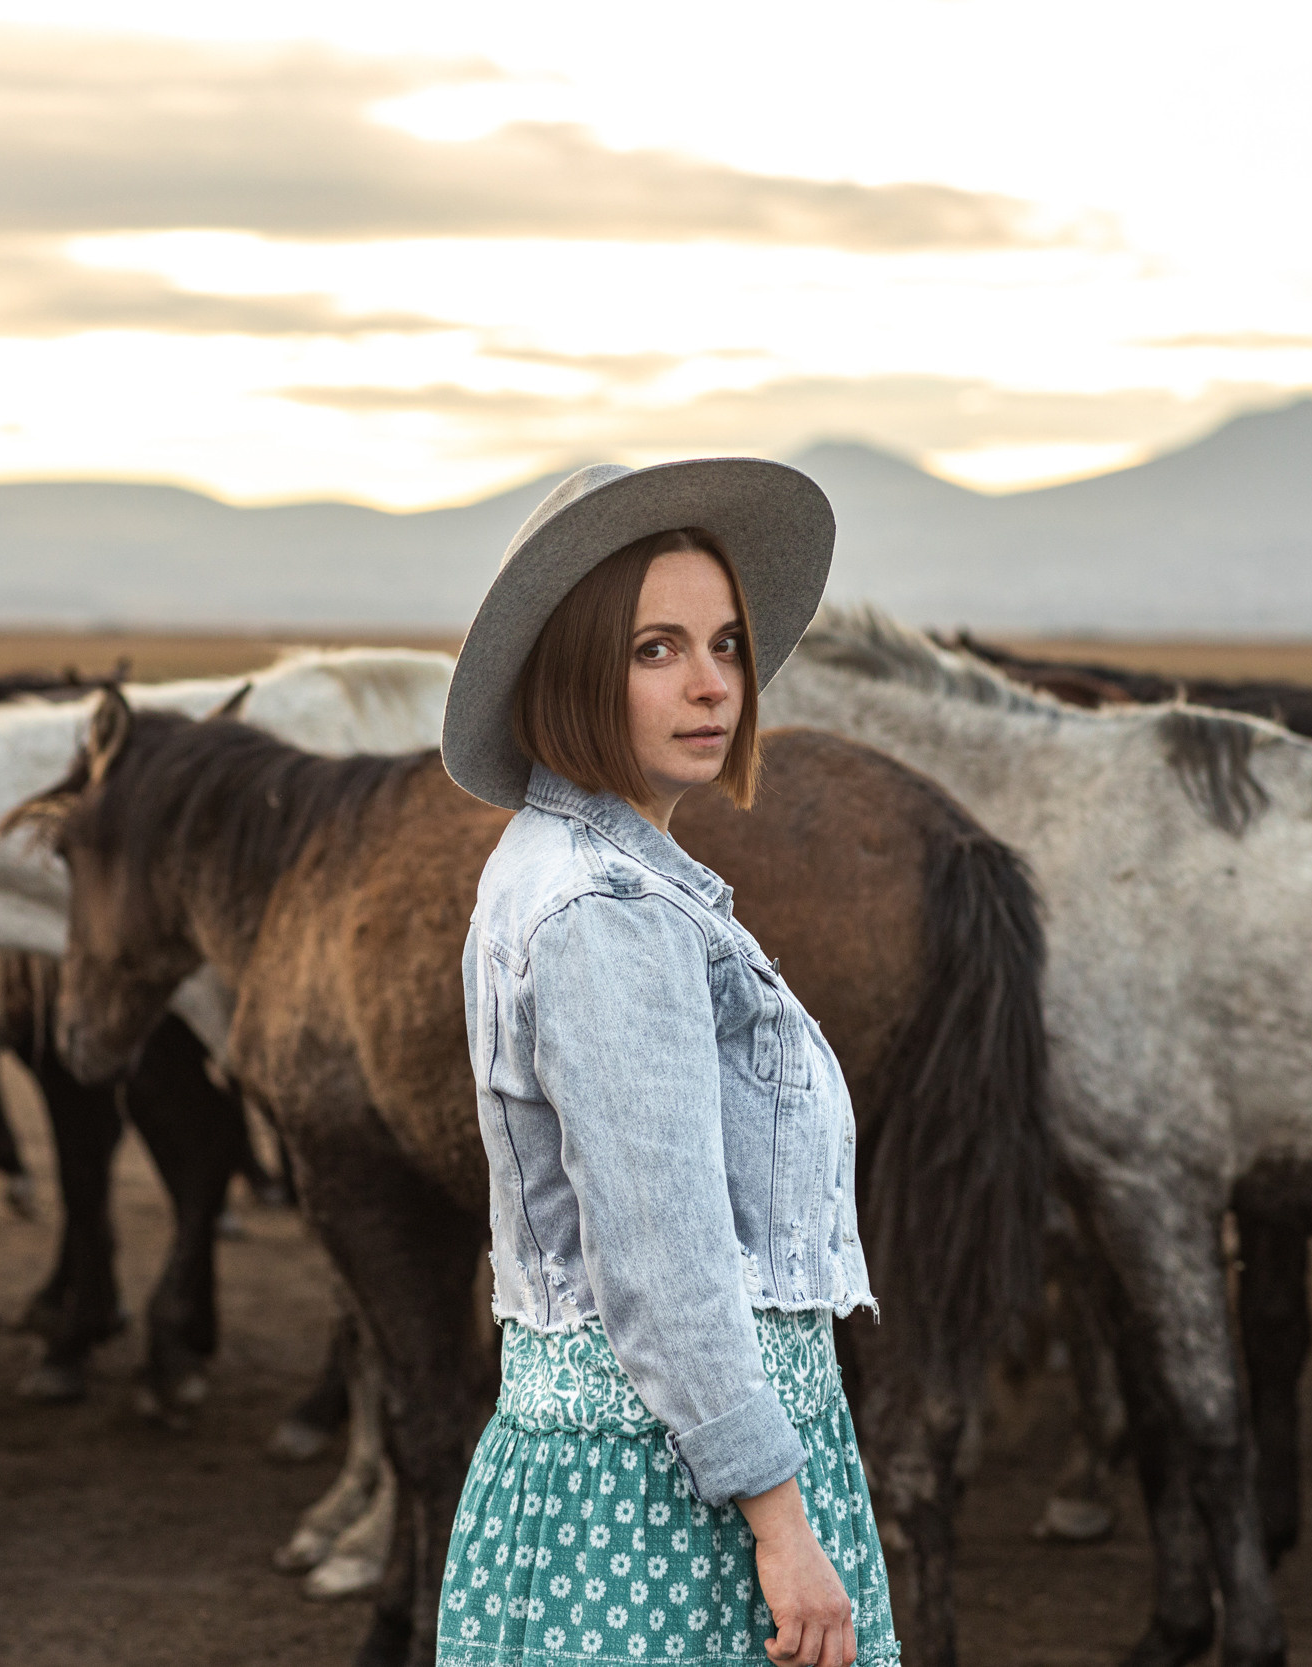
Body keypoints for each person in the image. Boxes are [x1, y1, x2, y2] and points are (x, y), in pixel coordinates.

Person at [437, 460, 896, 1667]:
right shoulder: (607, 910)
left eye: (726, 643)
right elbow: (661, 1250)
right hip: (661, 1512)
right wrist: (780, 1520)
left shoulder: (569, 869)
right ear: (577, 669)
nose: (711, 685)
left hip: (635, 1478)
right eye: (655, 649)